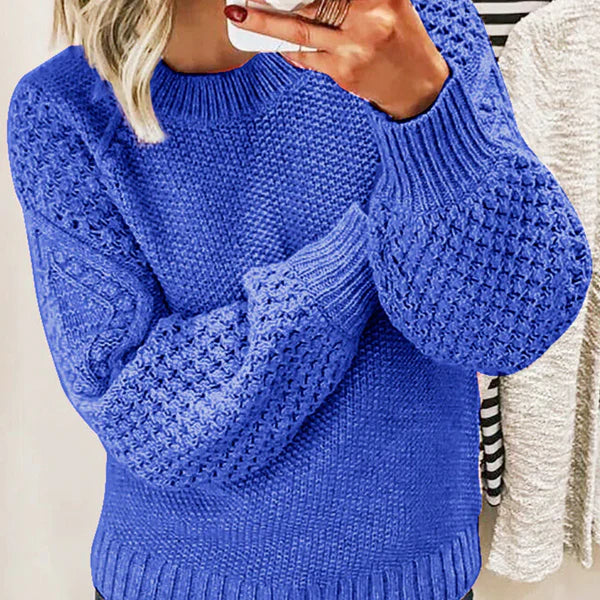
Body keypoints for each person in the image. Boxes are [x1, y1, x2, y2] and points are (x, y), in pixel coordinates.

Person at [6, 0, 592, 599]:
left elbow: (509, 327)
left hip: (411, 581)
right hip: (173, 583)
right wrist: (362, 247)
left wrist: (423, 108)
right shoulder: (65, 110)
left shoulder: (421, 28)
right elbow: (146, 416)